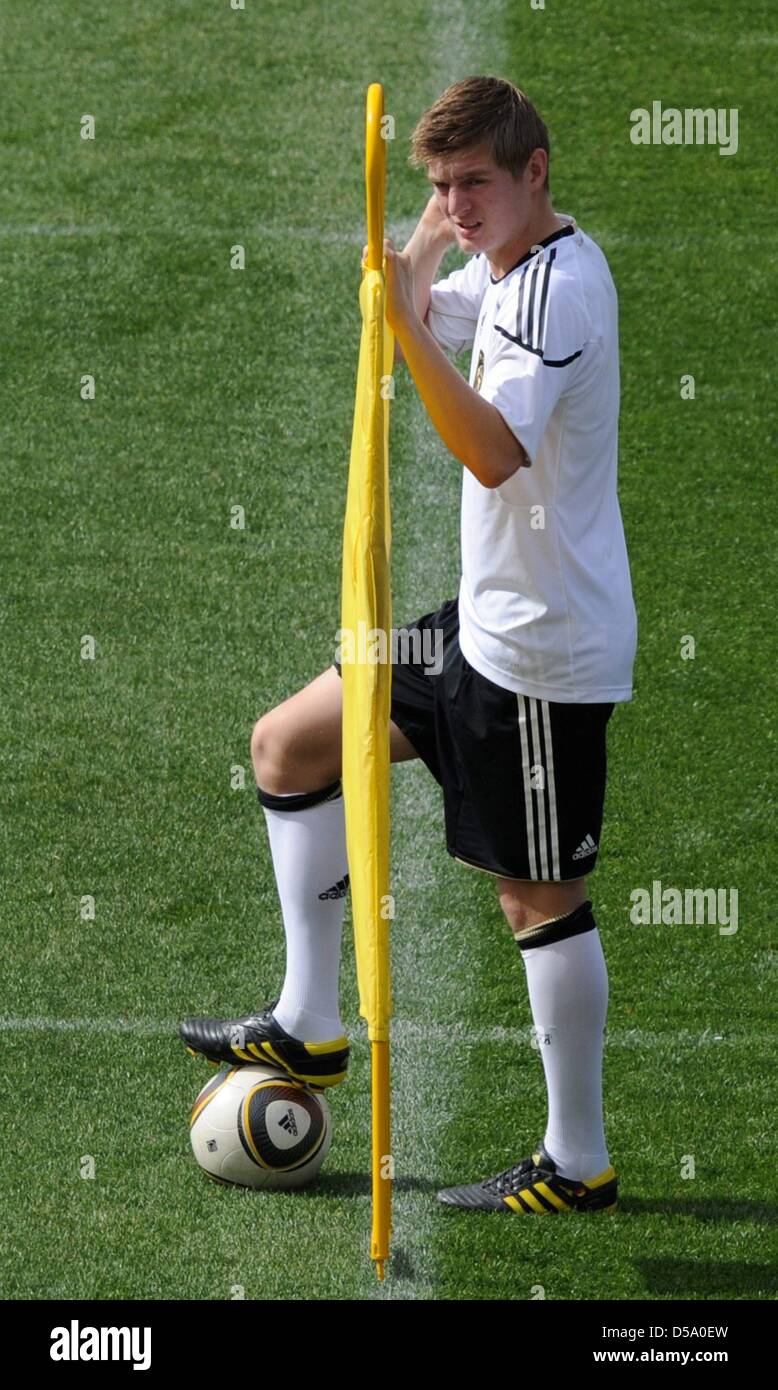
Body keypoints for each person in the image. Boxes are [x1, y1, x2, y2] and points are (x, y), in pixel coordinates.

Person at [180, 75, 637, 1216]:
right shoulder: (507, 269)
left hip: (538, 655)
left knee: (538, 901)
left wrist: (396, 318)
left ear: (536, 169)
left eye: (472, 183)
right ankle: (310, 1023)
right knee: (288, 746)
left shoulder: (555, 296)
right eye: (441, 186)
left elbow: (487, 449)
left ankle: (575, 1160)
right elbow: (436, 318)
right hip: (471, 626)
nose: (457, 204)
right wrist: (420, 262)